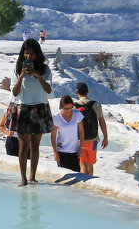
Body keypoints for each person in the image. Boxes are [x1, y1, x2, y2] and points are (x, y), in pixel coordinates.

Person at [11, 38, 53, 186]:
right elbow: (15, 92)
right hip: (23, 108)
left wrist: (37, 75)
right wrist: (22, 76)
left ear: (37, 54)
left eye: (32, 54)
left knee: (35, 146)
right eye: (26, 54)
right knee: (23, 147)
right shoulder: (17, 69)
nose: (29, 57)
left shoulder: (45, 70)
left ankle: (32, 176)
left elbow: (48, 90)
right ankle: (23, 179)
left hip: (39, 108)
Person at [74, 81, 108, 176]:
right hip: (93, 140)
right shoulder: (95, 104)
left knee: (83, 164)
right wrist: (105, 137)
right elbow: (101, 122)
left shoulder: (74, 106)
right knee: (90, 164)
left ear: (77, 92)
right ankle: (90, 180)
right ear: (88, 91)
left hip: (79, 141)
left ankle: (85, 186)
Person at [51, 94, 84, 172]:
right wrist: (55, 152)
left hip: (75, 151)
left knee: (76, 174)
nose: (68, 110)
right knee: (65, 176)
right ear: (61, 107)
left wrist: (81, 147)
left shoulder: (77, 114)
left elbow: (81, 132)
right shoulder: (56, 117)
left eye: (70, 108)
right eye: (65, 108)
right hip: (61, 151)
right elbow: (53, 136)